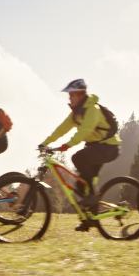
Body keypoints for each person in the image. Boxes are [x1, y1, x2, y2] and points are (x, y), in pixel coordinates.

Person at [39, 79, 121, 231]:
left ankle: (91, 197)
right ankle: (90, 220)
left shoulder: (93, 109)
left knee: (78, 158)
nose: (69, 98)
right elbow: (61, 129)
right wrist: (45, 143)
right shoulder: (76, 113)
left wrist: (68, 145)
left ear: (80, 94)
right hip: (95, 148)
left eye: (71, 95)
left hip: (109, 147)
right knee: (81, 186)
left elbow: (85, 130)